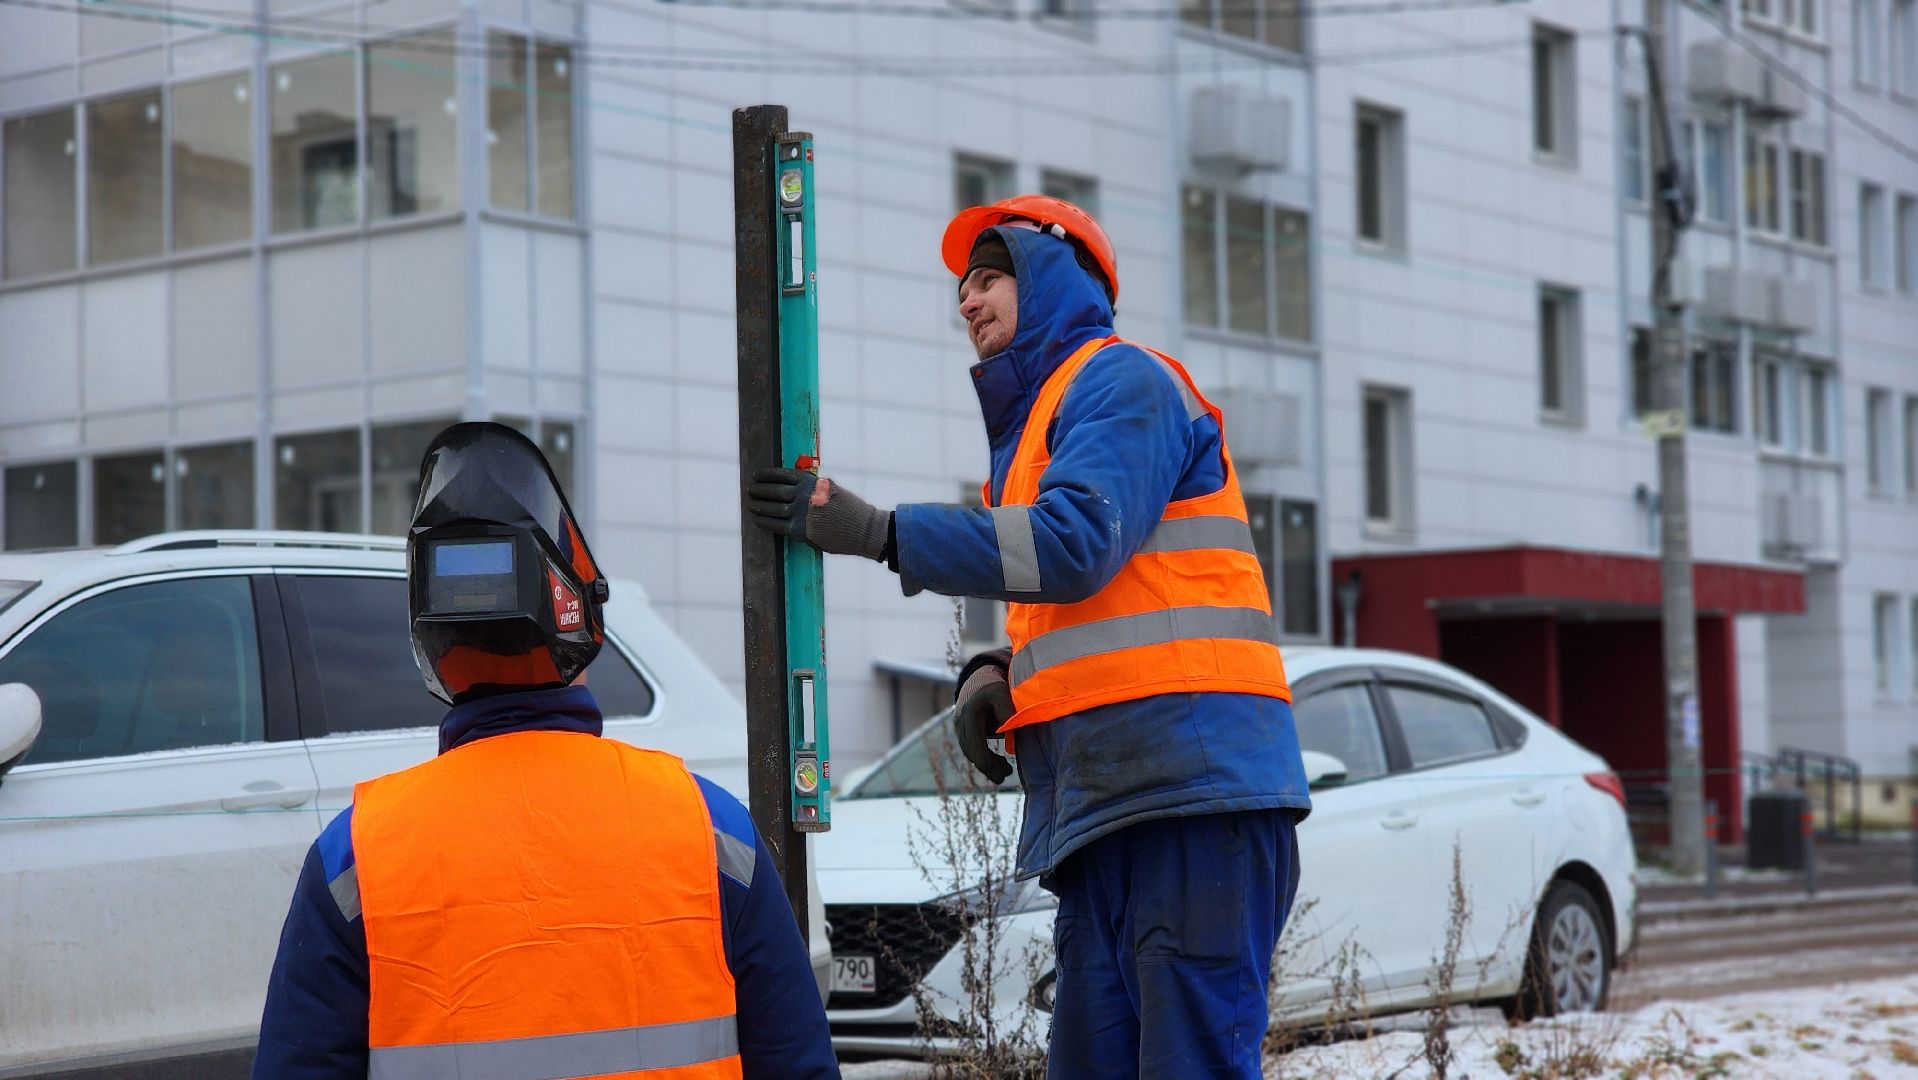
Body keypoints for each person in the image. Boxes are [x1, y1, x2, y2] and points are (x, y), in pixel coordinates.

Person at [746, 196, 1311, 1079]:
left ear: (1054, 276)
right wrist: (1001, 671)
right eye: (961, 288)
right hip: (1117, 810)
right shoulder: (1042, 427)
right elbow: (1099, 600)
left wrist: (883, 531)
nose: (965, 301)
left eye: (988, 276)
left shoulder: (1122, 380)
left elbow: (1075, 545)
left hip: (1195, 803)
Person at [256, 421, 837, 1080]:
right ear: (579, 611)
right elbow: (799, 1066)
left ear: (432, 639)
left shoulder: (355, 859)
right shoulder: (710, 832)